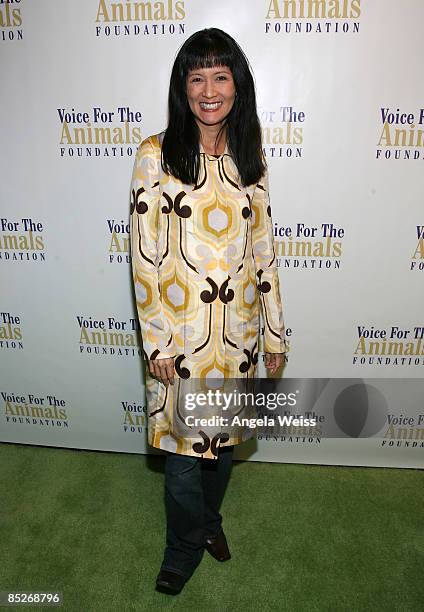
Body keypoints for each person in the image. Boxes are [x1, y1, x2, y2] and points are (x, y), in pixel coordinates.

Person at [129, 27, 287, 595]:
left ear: (237, 86)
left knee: (220, 452)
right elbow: (144, 258)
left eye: (220, 76)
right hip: (182, 342)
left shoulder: (252, 160)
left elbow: (265, 253)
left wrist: (273, 335)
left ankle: (209, 524)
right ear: (182, 87)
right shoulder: (156, 155)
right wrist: (157, 341)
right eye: (196, 77)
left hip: (238, 335)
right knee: (182, 461)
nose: (209, 89)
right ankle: (182, 548)